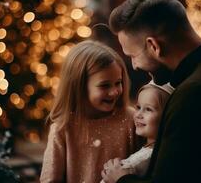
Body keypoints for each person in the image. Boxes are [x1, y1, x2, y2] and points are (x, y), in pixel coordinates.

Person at [101, 0, 201, 183]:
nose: (135, 66)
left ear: (154, 46)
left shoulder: (193, 92)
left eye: (133, 56)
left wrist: (120, 179)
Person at [40, 40, 139, 183]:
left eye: (118, 82)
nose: (114, 92)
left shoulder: (132, 119)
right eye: (104, 85)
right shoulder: (63, 128)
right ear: (79, 86)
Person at [100, 81, 174, 183]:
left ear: (167, 116)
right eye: (138, 107)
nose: (138, 114)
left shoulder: (144, 160)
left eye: (148, 109)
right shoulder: (150, 151)